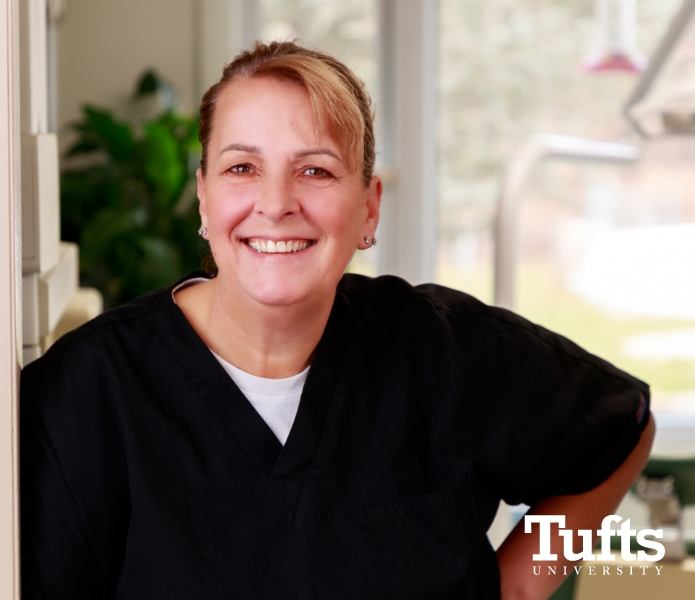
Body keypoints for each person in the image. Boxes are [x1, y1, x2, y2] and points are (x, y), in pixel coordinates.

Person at [20, 41, 654, 600]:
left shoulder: (440, 349)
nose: (275, 203)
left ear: (368, 208)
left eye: (316, 170)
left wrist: (518, 583)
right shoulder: (85, 395)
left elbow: (618, 431)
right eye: (242, 168)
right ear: (206, 199)